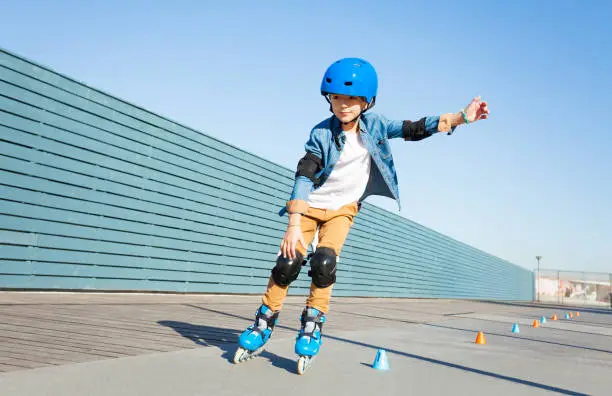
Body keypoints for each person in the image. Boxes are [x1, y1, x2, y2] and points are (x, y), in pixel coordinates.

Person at [234, 57, 489, 364]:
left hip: (342, 210)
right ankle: (263, 323)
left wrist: (461, 117)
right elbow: (304, 174)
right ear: (329, 99)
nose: (343, 105)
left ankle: (312, 325)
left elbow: (413, 128)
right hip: (311, 207)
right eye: (337, 98)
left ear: (366, 102)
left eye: (352, 99)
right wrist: (294, 222)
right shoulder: (321, 134)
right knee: (288, 261)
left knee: (325, 263)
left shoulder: (377, 126)